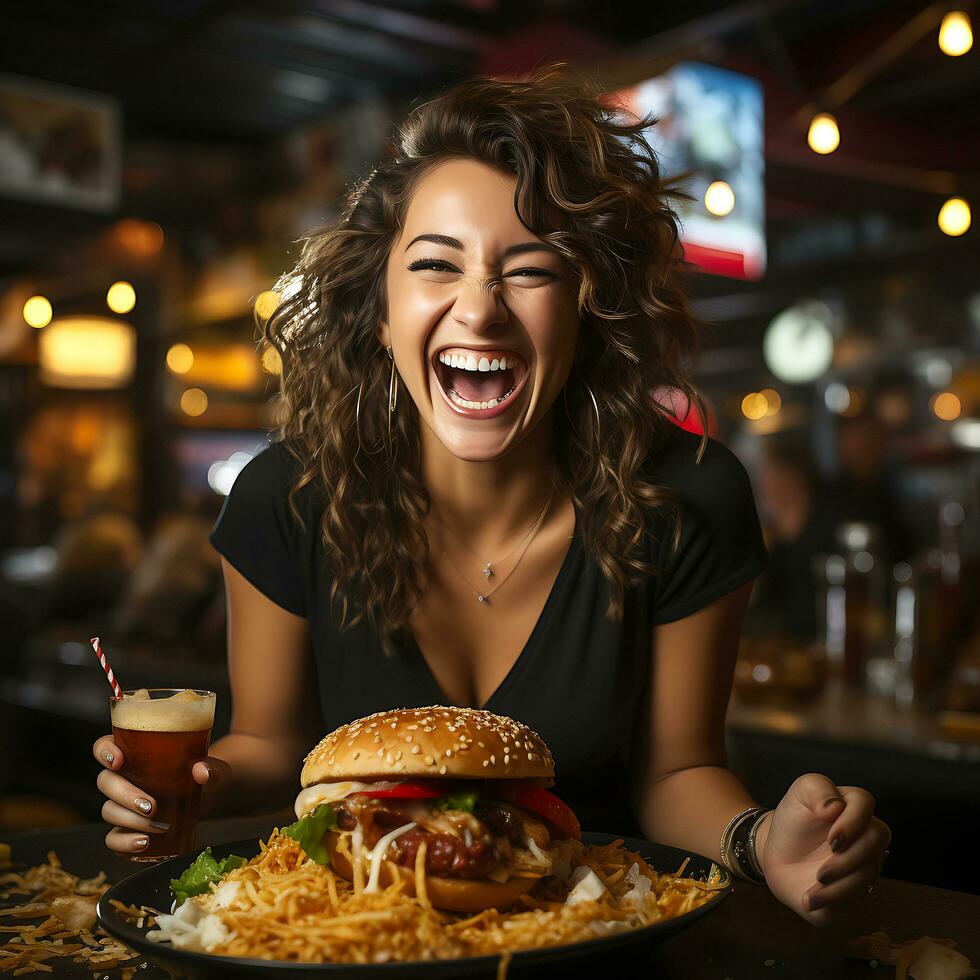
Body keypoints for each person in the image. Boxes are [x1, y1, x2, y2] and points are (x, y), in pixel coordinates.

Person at [93, 64, 889, 925]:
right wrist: (198, 788)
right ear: (382, 305)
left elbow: (676, 773)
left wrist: (760, 839)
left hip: (595, 936)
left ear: (589, 306)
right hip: (357, 938)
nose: (480, 311)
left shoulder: (691, 494)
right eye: (437, 265)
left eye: (531, 269)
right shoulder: (283, 496)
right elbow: (274, 745)